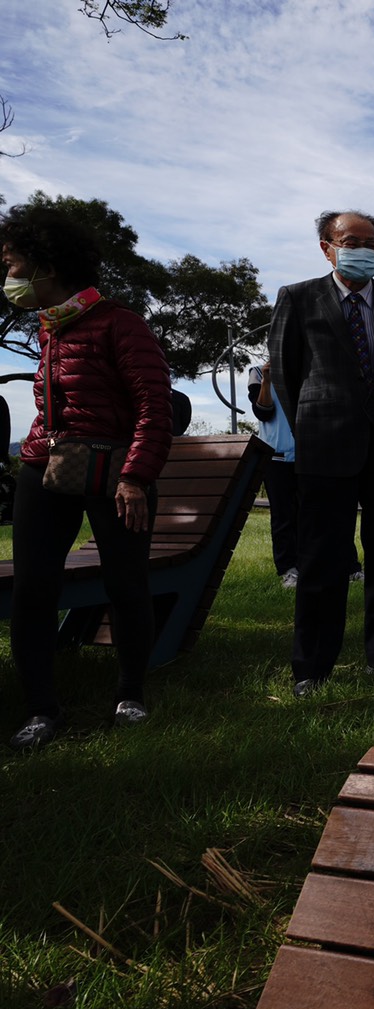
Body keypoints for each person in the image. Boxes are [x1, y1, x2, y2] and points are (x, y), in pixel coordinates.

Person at [1, 204, 173, 749]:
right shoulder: (49, 325)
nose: (9, 277)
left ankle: (130, 694)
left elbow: (154, 405)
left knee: (126, 583)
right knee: (33, 587)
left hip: (116, 472)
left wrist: (135, 477)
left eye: (12, 264)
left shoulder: (120, 323)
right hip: (44, 465)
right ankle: (41, 710)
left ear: (46, 266)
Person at [267, 210, 374, 696]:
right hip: (324, 444)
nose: (363, 249)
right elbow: (287, 375)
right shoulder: (298, 298)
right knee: (322, 557)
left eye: (372, 242)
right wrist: (314, 426)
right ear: (326, 246)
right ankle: (312, 666)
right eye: (352, 240)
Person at [247, 361, 364, 589]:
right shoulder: (258, 372)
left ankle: (349, 567)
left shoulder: (314, 369)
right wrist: (268, 381)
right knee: (283, 518)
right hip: (277, 457)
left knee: (329, 513)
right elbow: (263, 412)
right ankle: (289, 570)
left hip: (314, 454)